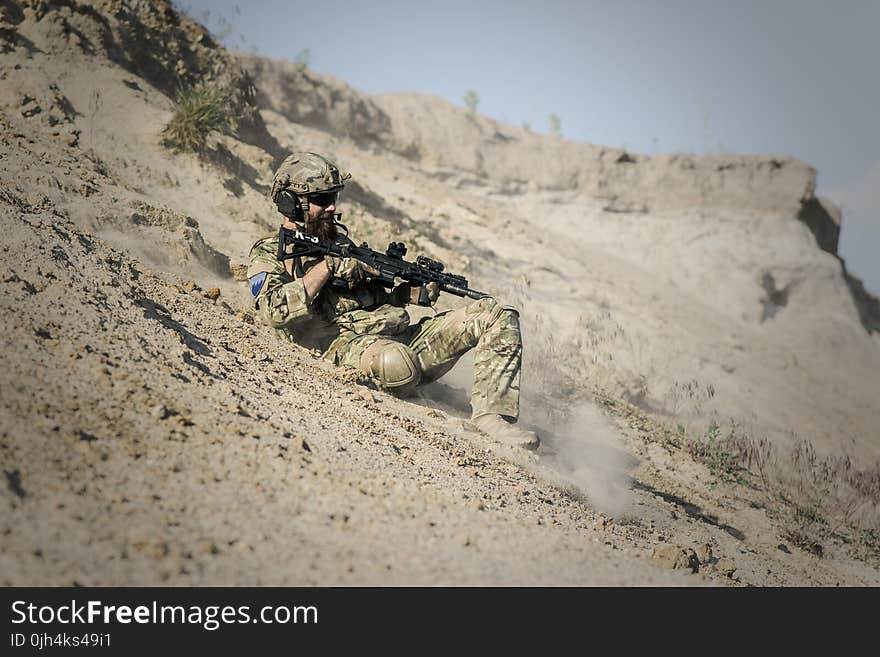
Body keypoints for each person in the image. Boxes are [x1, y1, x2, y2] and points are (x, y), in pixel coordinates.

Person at [247, 152, 539, 450]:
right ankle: (422, 391)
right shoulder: (269, 253)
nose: (332, 206)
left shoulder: (341, 243)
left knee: (496, 314)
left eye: (334, 197)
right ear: (291, 203)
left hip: (397, 336)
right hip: (344, 346)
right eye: (322, 199)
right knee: (396, 363)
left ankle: (492, 416)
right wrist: (327, 267)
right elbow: (274, 310)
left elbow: (367, 300)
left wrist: (406, 294)